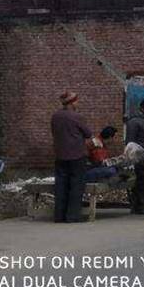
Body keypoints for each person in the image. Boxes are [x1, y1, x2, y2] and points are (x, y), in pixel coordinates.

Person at [50, 92, 93, 223]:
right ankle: (73, 215)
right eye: (76, 101)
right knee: (76, 185)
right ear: (72, 102)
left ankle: (59, 215)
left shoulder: (55, 116)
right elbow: (88, 133)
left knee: (61, 185)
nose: (77, 103)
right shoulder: (77, 116)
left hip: (60, 155)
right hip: (76, 155)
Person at [126, 99, 144, 214]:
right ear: (142, 108)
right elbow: (130, 141)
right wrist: (132, 158)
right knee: (141, 181)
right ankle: (139, 205)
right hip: (139, 156)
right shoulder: (135, 122)